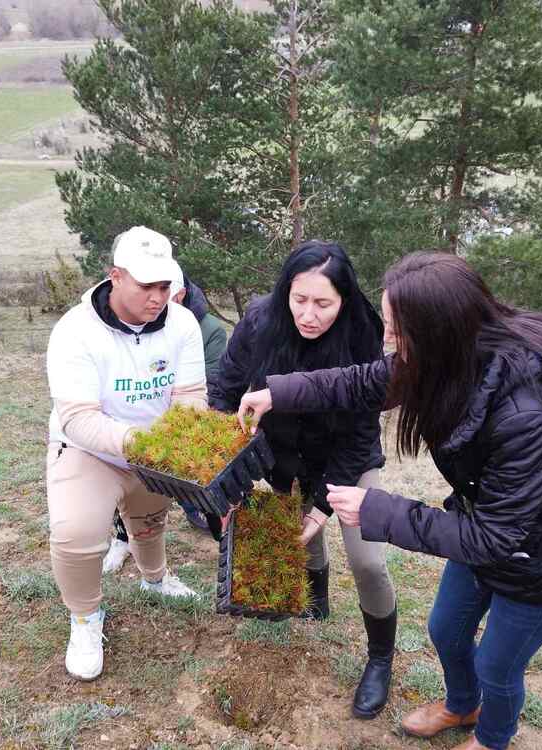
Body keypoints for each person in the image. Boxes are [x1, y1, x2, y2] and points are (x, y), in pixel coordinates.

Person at [237, 252, 542, 750]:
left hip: (538, 565)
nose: (387, 339)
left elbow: (497, 535)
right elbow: (361, 381)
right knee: (445, 629)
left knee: (497, 663)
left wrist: (376, 509)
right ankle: (461, 704)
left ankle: (493, 737)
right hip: (481, 538)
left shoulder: (524, 415)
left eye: (396, 329)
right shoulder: (443, 360)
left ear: (438, 329)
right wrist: (277, 393)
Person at [210, 240, 398, 720]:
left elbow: (360, 432)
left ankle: (379, 660)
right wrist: (224, 472)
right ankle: (316, 597)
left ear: (345, 299)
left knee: (368, 561)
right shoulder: (259, 321)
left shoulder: (363, 334)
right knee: (304, 538)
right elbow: (226, 390)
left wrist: (322, 507)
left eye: (323, 303)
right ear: (284, 292)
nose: (309, 315)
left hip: (347, 460)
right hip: (284, 456)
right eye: (300, 299)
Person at [45, 225, 206, 682]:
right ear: (115, 276)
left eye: (165, 285)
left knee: (150, 521)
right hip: (87, 449)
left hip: (154, 449)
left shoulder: (183, 324)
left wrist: (178, 443)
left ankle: (155, 578)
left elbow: (190, 394)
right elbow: (78, 417)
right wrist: (139, 444)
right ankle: (84, 618)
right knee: (76, 532)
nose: (159, 296)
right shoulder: (75, 331)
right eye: (147, 285)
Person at [102, 267, 228, 573]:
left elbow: (209, 382)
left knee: (187, 473)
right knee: (127, 476)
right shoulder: (126, 326)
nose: (153, 305)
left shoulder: (207, 329)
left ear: (180, 296)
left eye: (164, 296)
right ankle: (122, 538)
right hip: (135, 420)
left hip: (184, 419)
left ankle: (198, 509)